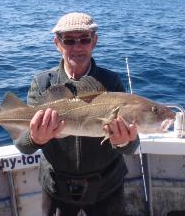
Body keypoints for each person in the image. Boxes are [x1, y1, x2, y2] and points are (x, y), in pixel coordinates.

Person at [15, 12, 140, 216]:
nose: (77, 47)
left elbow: (131, 146)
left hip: (107, 186)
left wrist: (125, 142)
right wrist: (35, 139)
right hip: (56, 187)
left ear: (94, 41)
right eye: (69, 40)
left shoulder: (111, 82)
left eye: (84, 39)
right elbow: (23, 145)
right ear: (57, 43)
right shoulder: (42, 83)